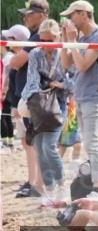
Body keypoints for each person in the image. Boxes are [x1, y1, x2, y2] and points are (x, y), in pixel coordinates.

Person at [59, 0, 98, 197]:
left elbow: (82, 66)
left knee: (91, 142)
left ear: (83, 14)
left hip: (95, 96)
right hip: (80, 95)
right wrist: (66, 41)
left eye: (72, 15)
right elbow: (66, 64)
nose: (70, 19)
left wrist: (73, 42)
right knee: (90, 141)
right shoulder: (81, 37)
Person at [21, 19, 69, 204]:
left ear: (57, 38)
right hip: (39, 106)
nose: (45, 45)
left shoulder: (64, 53)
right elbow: (31, 80)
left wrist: (61, 85)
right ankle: (49, 191)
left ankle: (62, 187)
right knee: (40, 148)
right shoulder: (34, 53)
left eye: (49, 41)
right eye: (42, 40)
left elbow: (73, 82)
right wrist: (26, 103)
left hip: (59, 106)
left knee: (49, 146)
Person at [9, 0, 46, 198]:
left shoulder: (41, 35)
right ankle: (34, 182)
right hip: (29, 96)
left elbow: (16, 61)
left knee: (38, 142)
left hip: (36, 97)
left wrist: (14, 60)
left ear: (41, 15)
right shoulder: (35, 35)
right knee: (32, 142)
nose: (26, 17)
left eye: (30, 14)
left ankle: (38, 185)